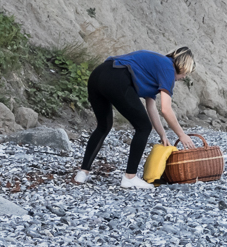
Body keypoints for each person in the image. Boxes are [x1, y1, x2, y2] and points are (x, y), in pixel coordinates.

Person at [75, 48, 195, 189]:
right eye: (186, 73)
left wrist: (162, 134)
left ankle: (82, 174)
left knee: (103, 126)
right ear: (183, 66)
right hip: (117, 77)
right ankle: (130, 177)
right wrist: (181, 135)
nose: (184, 77)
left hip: (98, 74)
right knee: (143, 127)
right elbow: (166, 109)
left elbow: (151, 107)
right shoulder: (168, 68)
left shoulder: (157, 65)